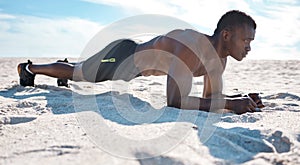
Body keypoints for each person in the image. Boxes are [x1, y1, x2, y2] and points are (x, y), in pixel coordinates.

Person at [17, 10, 264, 114]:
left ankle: (66, 66)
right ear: (227, 35)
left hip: (137, 70)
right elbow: (175, 101)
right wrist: (231, 103)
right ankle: (29, 68)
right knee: (79, 74)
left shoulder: (219, 61)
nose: (249, 47)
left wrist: (243, 101)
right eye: (246, 40)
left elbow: (212, 101)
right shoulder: (191, 47)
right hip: (124, 57)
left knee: (79, 70)